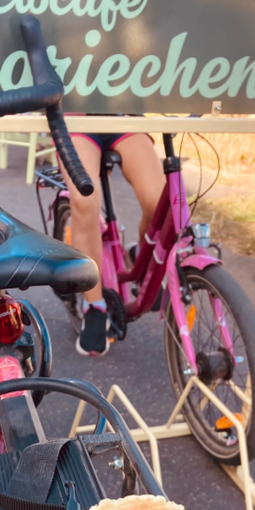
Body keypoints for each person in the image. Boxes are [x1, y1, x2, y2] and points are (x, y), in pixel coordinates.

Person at [59, 131, 165, 355]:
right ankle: (94, 306)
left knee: (162, 202)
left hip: (123, 117)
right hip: (77, 122)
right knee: (84, 200)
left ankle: (141, 255)